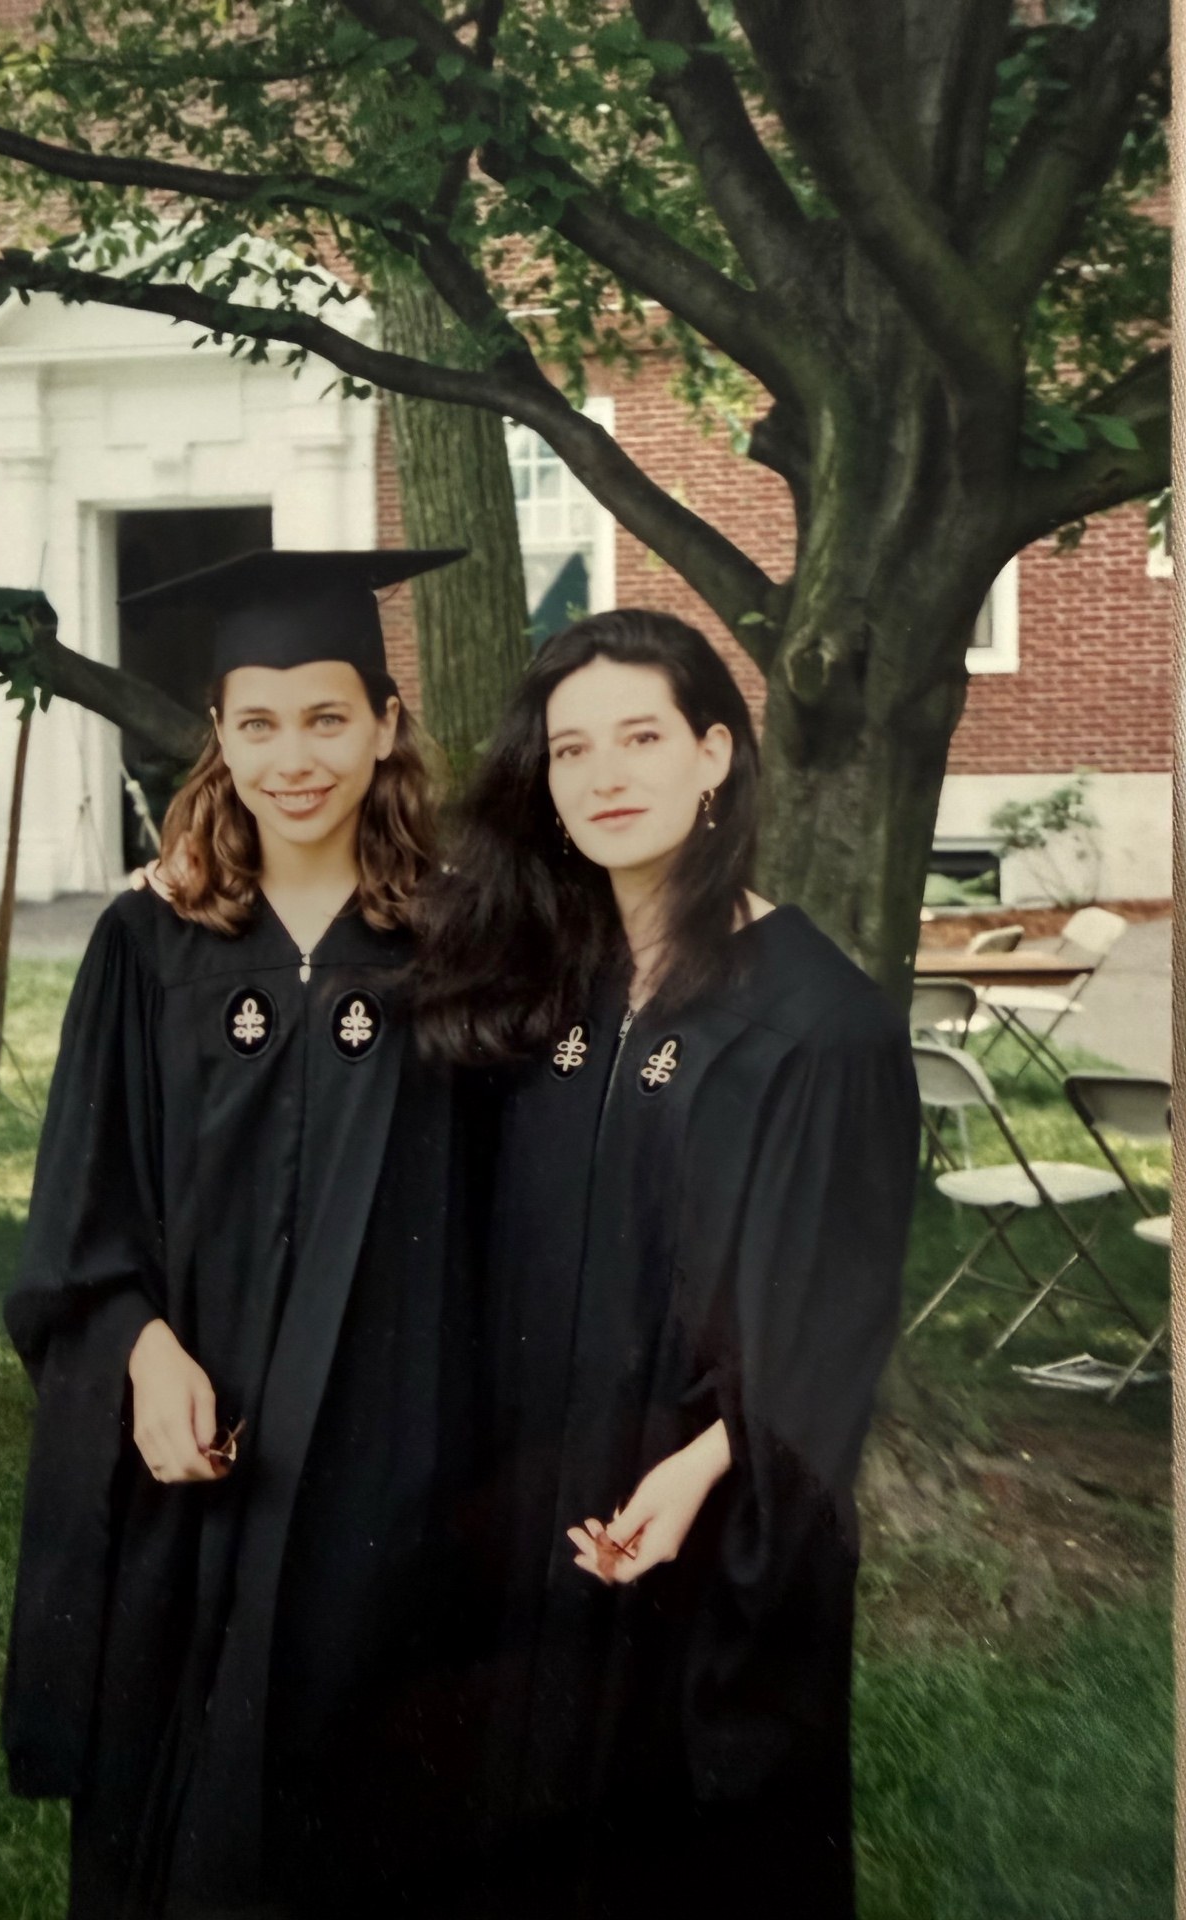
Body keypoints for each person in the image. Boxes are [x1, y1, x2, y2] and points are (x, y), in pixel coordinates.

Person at [413, 607, 920, 1918]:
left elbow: (830, 1317)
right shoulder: (545, 981)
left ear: (714, 757)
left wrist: (702, 1469)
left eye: (642, 737)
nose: (605, 777)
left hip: (704, 1515)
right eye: (572, 750)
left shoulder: (817, 1024)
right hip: (534, 1499)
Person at [1, 547, 480, 1920]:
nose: (294, 757)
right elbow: (75, 1214)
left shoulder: (456, 948)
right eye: (257, 722)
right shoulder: (148, 949)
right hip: (188, 1470)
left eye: (327, 717)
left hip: (388, 1464)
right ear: (218, 731)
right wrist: (139, 1351)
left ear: (387, 724)